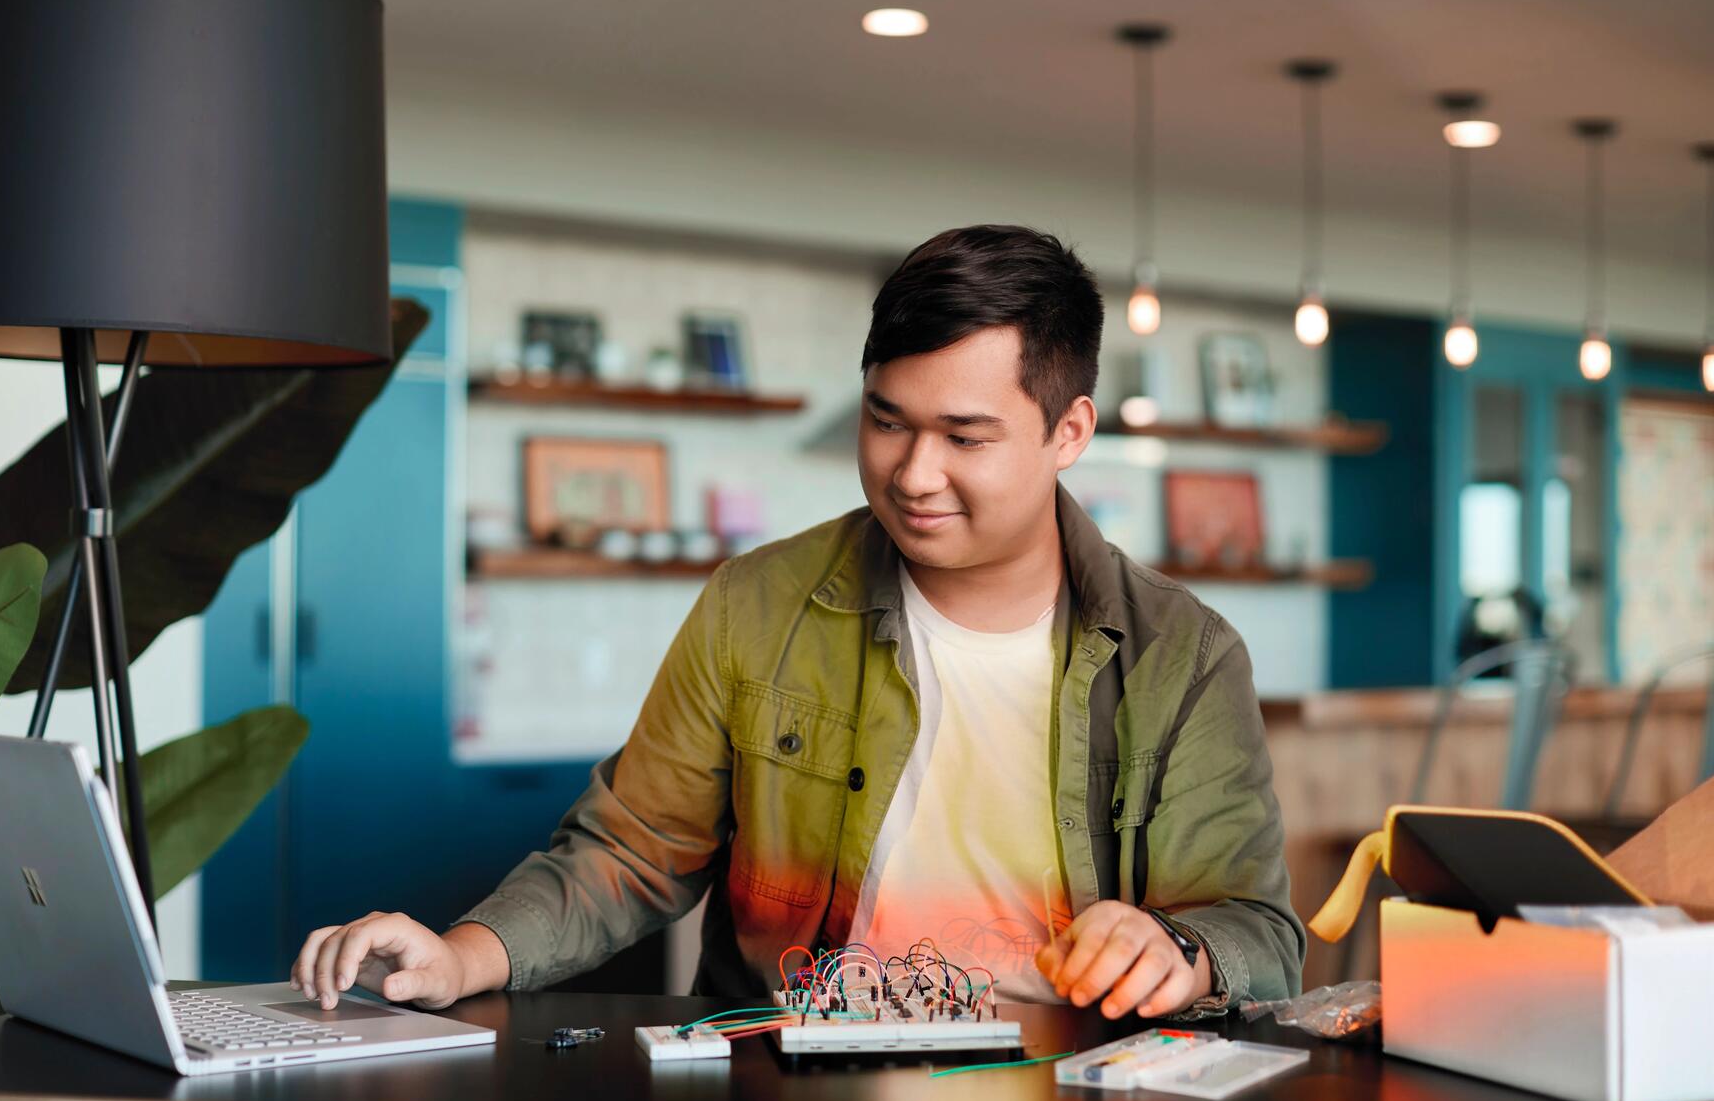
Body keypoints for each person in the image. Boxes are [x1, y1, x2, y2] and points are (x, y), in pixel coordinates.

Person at [291, 225, 1304, 1021]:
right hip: (786, 1081)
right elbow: (632, 850)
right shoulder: (758, 603)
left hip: (1068, 1086)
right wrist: (465, 953)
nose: (913, 474)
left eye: (965, 436)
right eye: (887, 420)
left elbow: (1258, 930)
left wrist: (1181, 953)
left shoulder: (1185, 656)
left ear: (1068, 431)